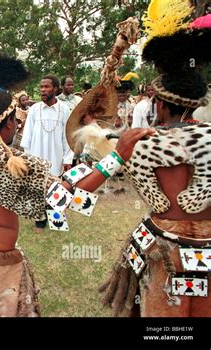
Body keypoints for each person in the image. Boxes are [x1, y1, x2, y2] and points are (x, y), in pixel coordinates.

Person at [0, 55, 151, 317]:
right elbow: (69, 197)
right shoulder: (17, 163)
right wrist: (116, 157)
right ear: (10, 123)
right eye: (17, 120)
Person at [95, 1, 211, 317]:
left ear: (159, 104)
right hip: (207, 250)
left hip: (162, 248)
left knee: (166, 321)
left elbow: (80, 190)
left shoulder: (141, 143)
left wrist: (115, 156)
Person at [20, 75, 74, 231]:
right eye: (41, 87)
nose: (43, 90)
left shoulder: (64, 109)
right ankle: (39, 219)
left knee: (55, 186)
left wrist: (67, 157)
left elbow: (67, 136)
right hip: (36, 155)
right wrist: (27, 158)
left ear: (55, 89)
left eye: (46, 87)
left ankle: (55, 217)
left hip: (56, 155)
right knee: (37, 187)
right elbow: (27, 135)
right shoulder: (34, 110)